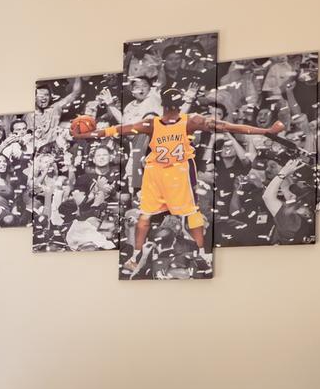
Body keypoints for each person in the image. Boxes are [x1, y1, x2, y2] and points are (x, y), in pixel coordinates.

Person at [77, 87, 285, 276]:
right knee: (185, 214)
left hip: (161, 175)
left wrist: (90, 133)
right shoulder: (188, 120)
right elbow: (226, 125)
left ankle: (136, 256)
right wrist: (265, 131)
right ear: (178, 105)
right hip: (170, 175)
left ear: (163, 106)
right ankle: (200, 255)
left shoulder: (156, 123)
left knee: (149, 216)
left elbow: (119, 128)